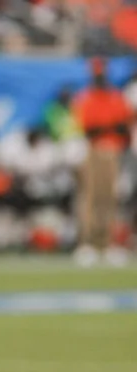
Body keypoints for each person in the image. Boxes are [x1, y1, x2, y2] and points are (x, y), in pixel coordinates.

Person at [72, 57, 133, 267]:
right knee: (91, 197)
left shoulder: (116, 98)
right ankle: (88, 242)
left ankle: (108, 242)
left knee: (110, 198)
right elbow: (90, 130)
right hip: (94, 151)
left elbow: (123, 128)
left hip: (113, 152)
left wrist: (109, 129)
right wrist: (110, 127)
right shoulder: (86, 98)